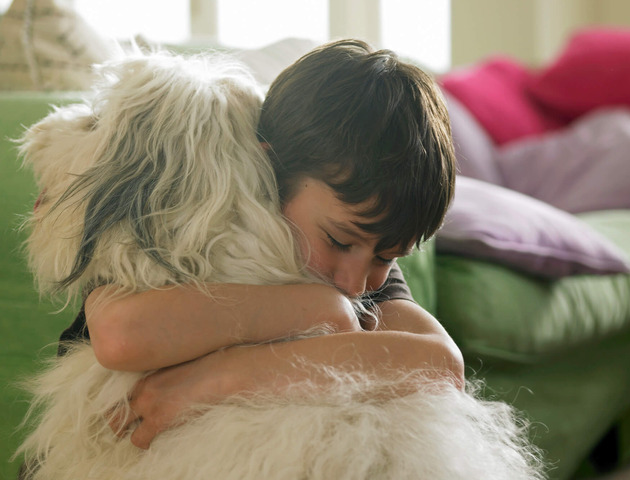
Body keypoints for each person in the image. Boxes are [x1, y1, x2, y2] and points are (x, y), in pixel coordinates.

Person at [59, 39, 462, 450]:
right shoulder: (190, 221)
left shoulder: (356, 257)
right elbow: (120, 336)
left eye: (387, 256)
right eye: (339, 241)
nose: (356, 284)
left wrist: (218, 379)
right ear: (269, 172)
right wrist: (322, 310)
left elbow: (442, 366)